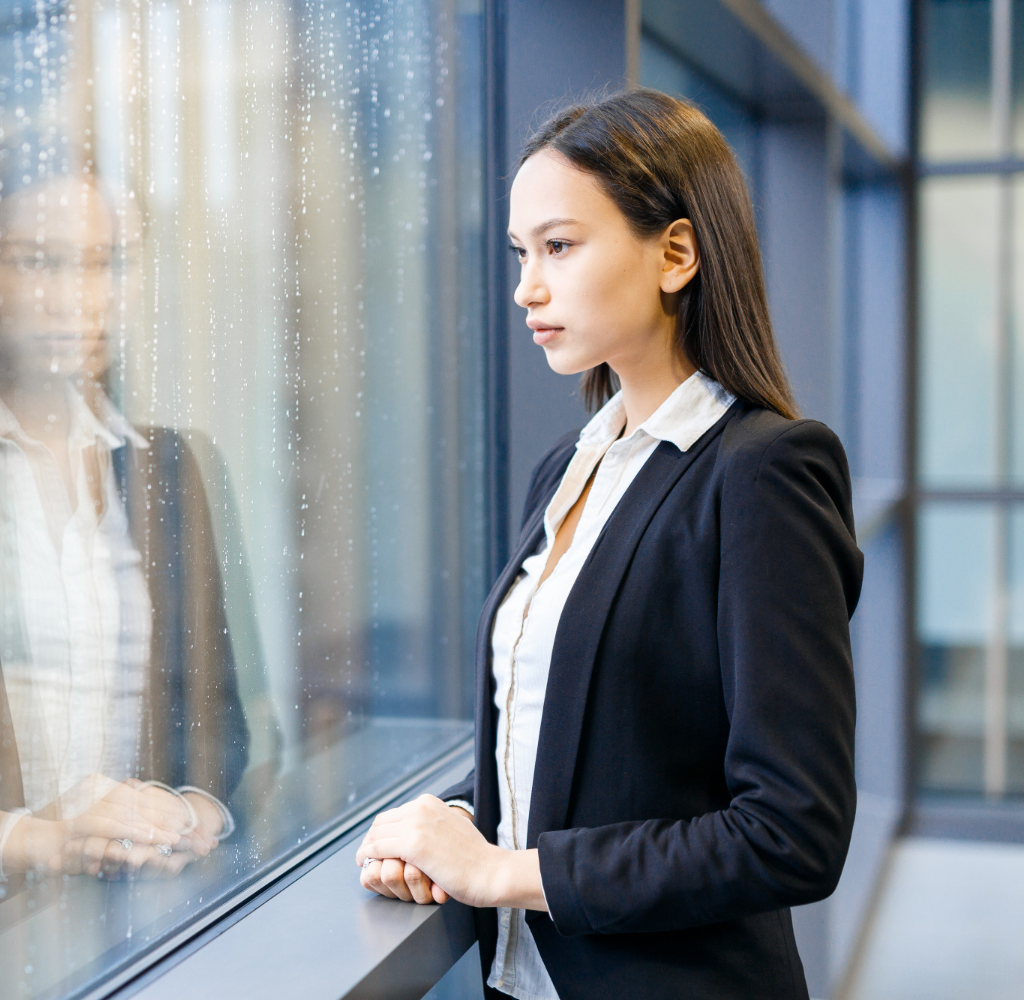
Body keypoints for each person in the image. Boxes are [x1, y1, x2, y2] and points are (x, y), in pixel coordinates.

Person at [354, 89, 863, 999]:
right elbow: (579, 742)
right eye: (520, 253)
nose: (526, 287)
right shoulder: (568, 468)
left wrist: (501, 873)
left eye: (559, 245)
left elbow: (792, 832)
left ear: (675, 253)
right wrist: (449, 828)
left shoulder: (763, 473)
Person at [0, 173, 250, 888]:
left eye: (106, 263)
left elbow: (225, 729)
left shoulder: (168, 467)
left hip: (148, 908)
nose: (80, 298)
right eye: (40, 261)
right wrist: (46, 843)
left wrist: (190, 812)